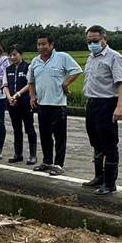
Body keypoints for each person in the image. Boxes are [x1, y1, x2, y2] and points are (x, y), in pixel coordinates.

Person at [82, 25, 122, 196]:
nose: (92, 44)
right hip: (92, 103)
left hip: (107, 103)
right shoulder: (91, 58)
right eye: (89, 41)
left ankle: (110, 183)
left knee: (109, 144)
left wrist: (120, 105)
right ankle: (98, 177)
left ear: (104, 39)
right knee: (96, 142)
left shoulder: (114, 57)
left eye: (95, 41)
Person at [27, 33, 82, 175]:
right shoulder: (35, 61)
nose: (41, 47)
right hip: (42, 104)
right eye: (39, 44)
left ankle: (58, 164)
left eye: (44, 44)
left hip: (58, 104)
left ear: (51, 45)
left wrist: (66, 83)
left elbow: (77, 71)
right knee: (45, 135)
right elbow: (31, 81)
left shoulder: (62, 57)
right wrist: (32, 96)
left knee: (59, 137)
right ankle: (47, 161)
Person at [3, 46, 38, 164]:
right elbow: (5, 85)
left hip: (25, 102)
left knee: (29, 128)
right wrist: (9, 97)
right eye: (10, 55)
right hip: (13, 103)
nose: (12, 57)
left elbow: (30, 83)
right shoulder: (8, 69)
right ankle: (18, 154)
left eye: (15, 54)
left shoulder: (28, 67)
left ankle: (33, 155)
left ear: (21, 54)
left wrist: (18, 94)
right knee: (16, 129)